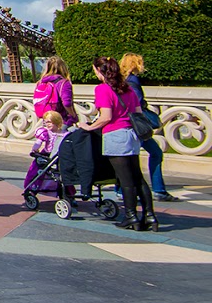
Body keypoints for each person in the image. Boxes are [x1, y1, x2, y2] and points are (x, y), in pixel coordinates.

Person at [80, 55, 155, 231]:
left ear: (100, 71)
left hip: (116, 134)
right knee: (138, 178)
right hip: (132, 135)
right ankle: (150, 215)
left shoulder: (103, 89)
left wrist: (89, 127)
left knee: (125, 180)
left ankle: (131, 217)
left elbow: (106, 117)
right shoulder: (127, 88)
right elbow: (138, 112)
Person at [120, 53, 176, 203]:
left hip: (127, 124)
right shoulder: (133, 80)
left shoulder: (122, 80)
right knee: (155, 153)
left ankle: (121, 189)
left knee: (127, 157)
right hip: (137, 124)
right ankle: (158, 189)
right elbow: (136, 103)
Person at [23, 110, 68, 193]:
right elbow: (39, 142)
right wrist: (35, 149)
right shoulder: (46, 132)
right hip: (46, 154)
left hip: (59, 156)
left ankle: (68, 192)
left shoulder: (65, 133)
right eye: (46, 122)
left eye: (50, 122)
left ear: (56, 121)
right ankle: (32, 187)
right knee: (36, 169)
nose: (47, 124)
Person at [32, 58, 76, 127]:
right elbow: (66, 103)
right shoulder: (64, 83)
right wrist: (73, 116)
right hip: (61, 120)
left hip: (46, 120)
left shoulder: (40, 83)